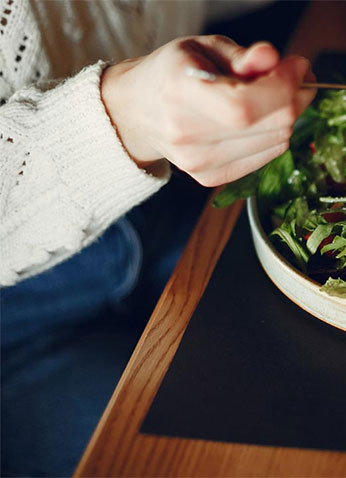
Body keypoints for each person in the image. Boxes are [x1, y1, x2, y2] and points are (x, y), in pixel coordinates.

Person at [0, 1, 316, 475]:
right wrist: (121, 116)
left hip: (159, 190)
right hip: (17, 313)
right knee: (209, 459)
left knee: (310, 386)